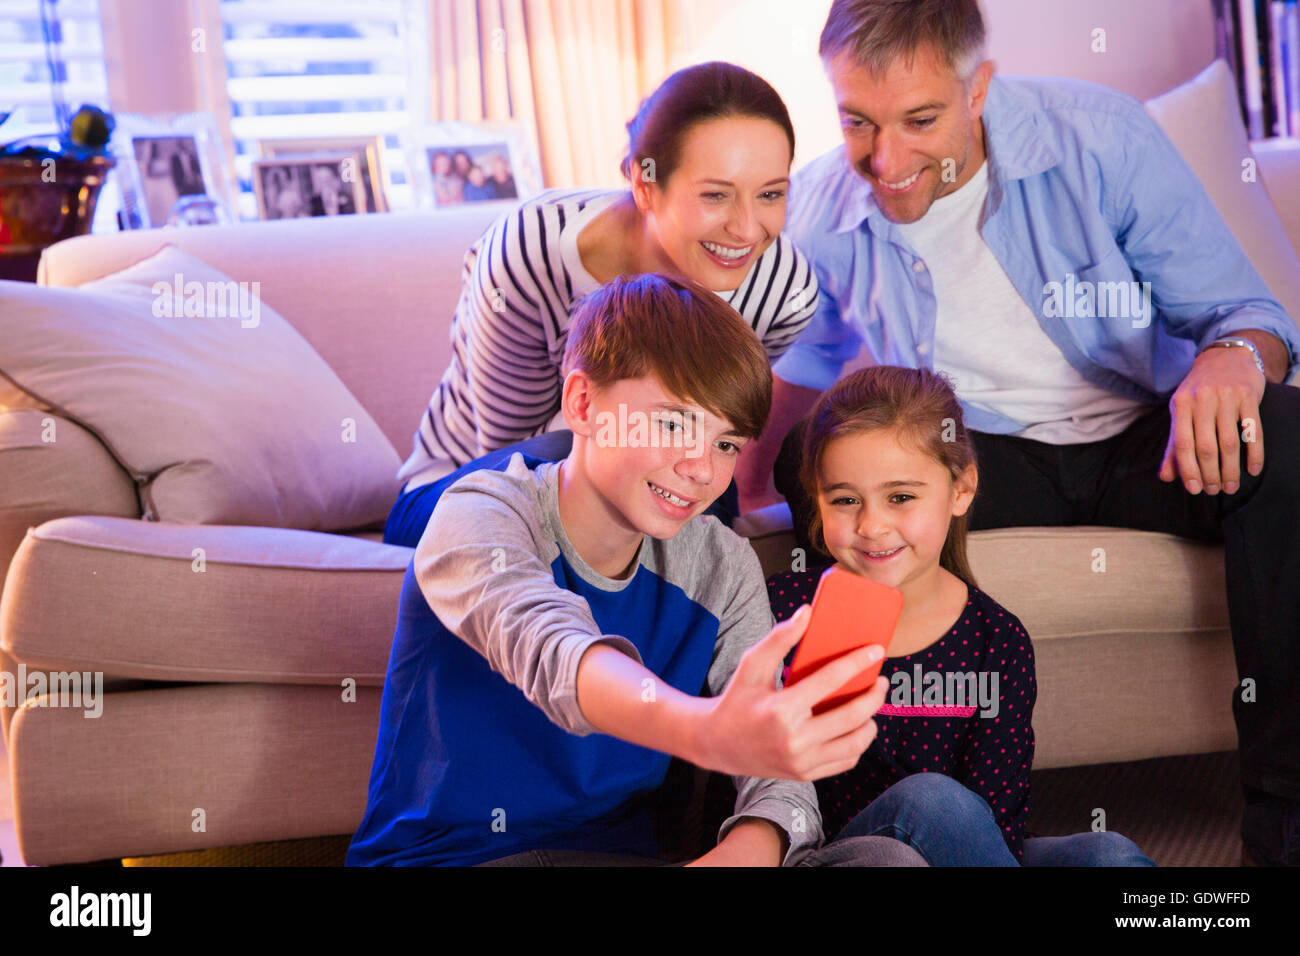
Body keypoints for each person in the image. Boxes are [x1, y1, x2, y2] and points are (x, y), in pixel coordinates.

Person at [732, 0, 1300, 866]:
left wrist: (1232, 356)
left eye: (919, 119)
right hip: (974, 456)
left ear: (979, 88)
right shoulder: (822, 210)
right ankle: (851, 811)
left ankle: (1285, 822)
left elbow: (1248, 315)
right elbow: (798, 375)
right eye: (857, 121)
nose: (886, 160)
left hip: (1145, 436)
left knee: (1288, 432)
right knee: (827, 463)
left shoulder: (1100, 137)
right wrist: (745, 499)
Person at [347, 273, 925, 868]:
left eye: (727, 444)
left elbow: (776, 777)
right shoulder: (481, 513)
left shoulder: (721, 564)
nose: (702, 469)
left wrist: (750, 842)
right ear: (583, 404)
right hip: (460, 859)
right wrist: (707, 731)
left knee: (886, 860)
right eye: (674, 423)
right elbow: (555, 652)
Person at [385, 61, 820, 546]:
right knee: (574, 448)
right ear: (645, 184)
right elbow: (512, 459)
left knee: (711, 502)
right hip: (468, 493)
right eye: (715, 195)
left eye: (770, 194)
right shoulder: (531, 251)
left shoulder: (783, 292)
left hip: (652, 477)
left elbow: (717, 432)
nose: (745, 229)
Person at [765, 365, 1154, 865]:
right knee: (930, 799)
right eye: (845, 500)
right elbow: (747, 786)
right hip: (830, 854)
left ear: (961, 490)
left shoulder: (997, 639)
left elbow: (998, 823)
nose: (871, 525)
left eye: (900, 497)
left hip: (963, 853)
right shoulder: (783, 612)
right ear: (818, 501)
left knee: (1109, 853)